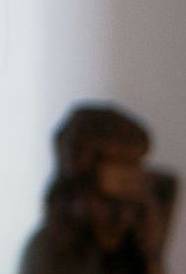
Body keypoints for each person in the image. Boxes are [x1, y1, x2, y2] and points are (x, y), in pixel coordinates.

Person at [20, 103, 175, 274]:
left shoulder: (131, 248)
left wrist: (152, 253)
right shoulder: (50, 250)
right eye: (109, 201)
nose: (125, 215)